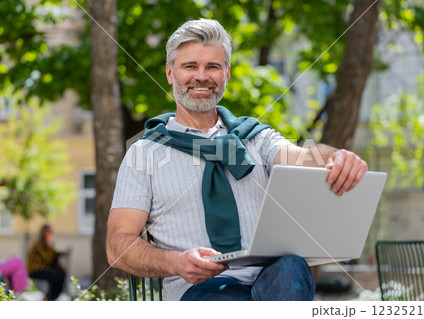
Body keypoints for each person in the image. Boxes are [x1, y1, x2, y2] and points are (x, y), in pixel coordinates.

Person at [106, 19, 368, 301]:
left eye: (213, 67)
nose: (202, 76)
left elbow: (305, 157)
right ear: (170, 73)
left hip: (271, 282)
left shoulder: (256, 137)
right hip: (198, 291)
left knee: (293, 267)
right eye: (190, 66)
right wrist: (175, 262)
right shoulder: (145, 153)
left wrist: (337, 158)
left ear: (227, 74)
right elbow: (117, 243)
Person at [27, 224, 66, 301]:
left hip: (43, 269)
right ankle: (50, 297)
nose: (50, 235)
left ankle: (53, 297)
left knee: (61, 274)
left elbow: (53, 254)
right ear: (43, 233)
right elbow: (48, 259)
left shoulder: (47, 245)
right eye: (48, 233)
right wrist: (50, 244)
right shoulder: (39, 244)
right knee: (54, 276)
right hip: (35, 270)